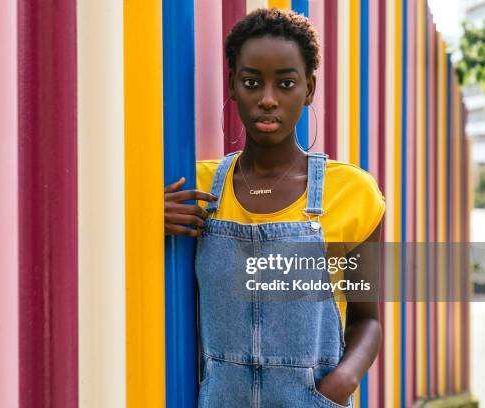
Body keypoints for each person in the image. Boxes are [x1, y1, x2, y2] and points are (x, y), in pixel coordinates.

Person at [164, 8, 384, 407]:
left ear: (309, 87)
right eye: (252, 82)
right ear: (232, 86)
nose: (268, 99)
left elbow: (368, 319)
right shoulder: (194, 189)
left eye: (285, 83)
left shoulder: (353, 192)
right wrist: (145, 219)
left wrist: (339, 384)